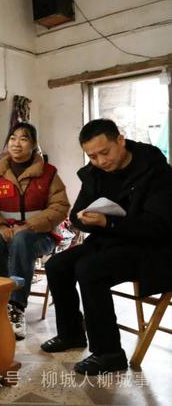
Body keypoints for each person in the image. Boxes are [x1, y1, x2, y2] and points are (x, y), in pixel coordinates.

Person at [41, 119, 172, 375]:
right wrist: (84, 219)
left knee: (90, 269)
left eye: (105, 152)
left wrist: (109, 222)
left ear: (120, 140)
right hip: (109, 241)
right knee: (57, 265)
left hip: (152, 248)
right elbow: (77, 214)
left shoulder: (156, 171)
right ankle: (71, 334)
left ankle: (109, 352)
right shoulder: (94, 173)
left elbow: (159, 226)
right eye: (92, 156)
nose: (100, 161)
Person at [0, 122, 70, 340]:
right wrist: (0, 226)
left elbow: (60, 206)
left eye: (23, 138)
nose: (16, 143)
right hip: (7, 232)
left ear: (34, 144)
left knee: (22, 241)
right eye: (12, 138)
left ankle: (16, 307)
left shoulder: (48, 173)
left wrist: (28, 226)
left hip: (41, 235)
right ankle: (0, 302)